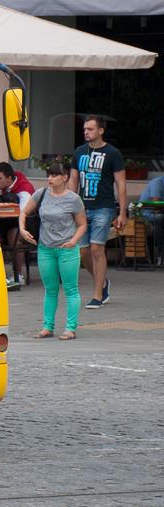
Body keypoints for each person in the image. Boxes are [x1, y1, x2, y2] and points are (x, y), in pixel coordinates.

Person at [19, 162, 87, 340]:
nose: (50, 178)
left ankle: (70, 328)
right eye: (48, 175)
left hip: (66, 249)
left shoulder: (73, 199)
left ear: (65, 178)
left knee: (71, 289)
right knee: (50, 290)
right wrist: (22, 229)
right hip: (45, 248)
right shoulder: (41, 194)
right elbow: (24, 212)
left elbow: (82, 224)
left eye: (54, 175)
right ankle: (47, 327)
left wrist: (73, 242)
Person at [68, 114, 126, 309]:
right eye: (85, 129)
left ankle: (97, 295)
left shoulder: (112, 153)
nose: (86, 132)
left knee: (96, 249)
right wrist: (69, 206)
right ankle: (102, 282)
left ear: (101, 131)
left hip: (104, 207)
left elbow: (121, 183)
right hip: (82, 209)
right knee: (84, 253)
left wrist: (122, 212)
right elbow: (73, 181)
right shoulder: (78, 152)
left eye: (90, 129)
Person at [0, 161, 36, 286]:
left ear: (9, 179)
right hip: (4, 223)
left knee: (13, 235)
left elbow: (23, 211)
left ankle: (18, 275)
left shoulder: (24, 189)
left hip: (27, 225)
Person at [135, 173, 164, 264]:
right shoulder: (156, 183)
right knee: (160, 218)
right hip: (144, 214)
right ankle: (162, 255)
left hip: (158, 213)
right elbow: (156, 209)